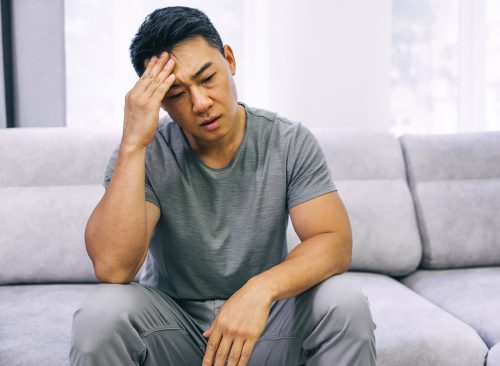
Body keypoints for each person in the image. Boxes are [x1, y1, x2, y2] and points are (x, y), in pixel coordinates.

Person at [69, 6, 376, 366]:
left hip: (265, 327)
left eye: (207, 78)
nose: (200, 103)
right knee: (101, 313)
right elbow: (113, 269)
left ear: (229, 59)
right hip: (174, 331)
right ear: (159, 101)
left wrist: (259, 291)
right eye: (177, 93)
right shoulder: (143, 153)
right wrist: (134, 144)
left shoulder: (287, 140)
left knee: (346, 302)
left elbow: (334, 242)